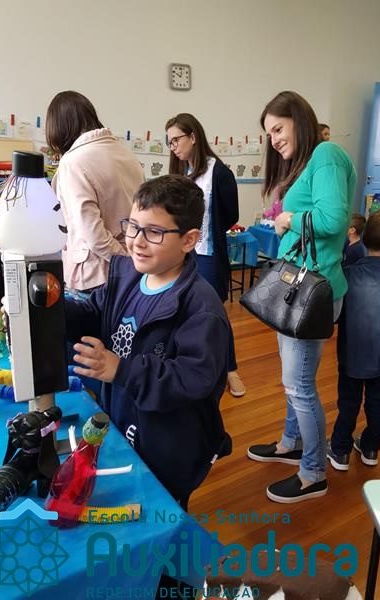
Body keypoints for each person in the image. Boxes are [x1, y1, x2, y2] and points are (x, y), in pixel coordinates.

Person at [64, 175, 232, 510]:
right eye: (133, 226)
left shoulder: (201, 307)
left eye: (154, 232)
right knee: (127, 495)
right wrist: (51, 308)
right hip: (122, 418)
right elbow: (94, 313)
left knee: (161, 509)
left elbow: (192, 378)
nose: (137, 242)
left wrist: (122, 370)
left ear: (189, 240)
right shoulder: (127, 276)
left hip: (167, 443)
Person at [247, 91, 356, 503]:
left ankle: (313, 473)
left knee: (299, 385)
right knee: (293, 382)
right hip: (297, 287)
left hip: (312, 291)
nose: (274, 139)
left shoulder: (326, 154)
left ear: (299, 119)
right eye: (269, 133)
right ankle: (291, 443)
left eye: (278, 128)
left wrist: (288, 218)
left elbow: (332, 219)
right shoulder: (309, 161)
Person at [165, 113, 245, 397]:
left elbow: (231, 214)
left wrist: (206, 233)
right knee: (182, 308)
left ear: (193, 137)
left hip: (209, 254)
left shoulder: (219, 172)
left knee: (213, 313)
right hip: (183, 253)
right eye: (169, 142)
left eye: (176, 139)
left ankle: (230, 368)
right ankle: (190, 362)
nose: (173, 146)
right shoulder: (182, 173)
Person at [327, 209, 380, 470]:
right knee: (378, 402)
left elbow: (337, 314)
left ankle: (340, 450)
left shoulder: (347, 274)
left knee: (348, 402)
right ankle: (371, 448)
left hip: (351, 354)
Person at [46, 90, 145, 294]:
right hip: (133, 264)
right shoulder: (127, 154)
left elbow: (93, 235)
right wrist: (132, 262)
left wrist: (125, 263)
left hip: (96, 274)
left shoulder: (73, 162)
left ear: (58, 128)